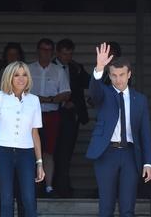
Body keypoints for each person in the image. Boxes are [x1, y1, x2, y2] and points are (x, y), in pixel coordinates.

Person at [87, 43, 151, 217]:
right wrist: (99, 68)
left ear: (129, 74)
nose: (118, 79)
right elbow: (94, 92)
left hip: (130, 155)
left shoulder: (140, 99)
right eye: (114, 75)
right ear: (109, 76)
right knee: (106, 207)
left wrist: (148, 162)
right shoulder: (104, 93)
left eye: (122, 75)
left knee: (127, 207)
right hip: (106, 153)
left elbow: (145, 133)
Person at [0, 61, 46, 217]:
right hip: (3, 153)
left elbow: (34, 133)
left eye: (24, 75)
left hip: (26, 153)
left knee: (29, 199)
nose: (21, 78)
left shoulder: (34, 100)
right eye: (16, 75)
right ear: (9, 77)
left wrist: (40, 163)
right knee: (6, 199)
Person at [28, 38, 71, 195]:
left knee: (48, 152)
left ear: (52, 52)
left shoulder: (58, 70)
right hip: (30, 116)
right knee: (29, 151)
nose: (45, 53)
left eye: (48, 50)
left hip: (52, 115)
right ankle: (31, 185)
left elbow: (66, 93)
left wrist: (48, 99)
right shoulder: (28, 69)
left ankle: (48, 186)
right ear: (37, 50)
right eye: (43, 49)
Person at [52, 38, 90, 196]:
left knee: (66, 152)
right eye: (64, 54)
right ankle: (51, 185)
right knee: (51, 151)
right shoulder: (49, 67)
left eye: (70, 54)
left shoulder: (76, 67)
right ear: (57, 52)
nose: (67, 57)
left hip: (70, 115)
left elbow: (88, 84)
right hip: (52, 113)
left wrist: (74, 103)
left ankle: (63, 186)